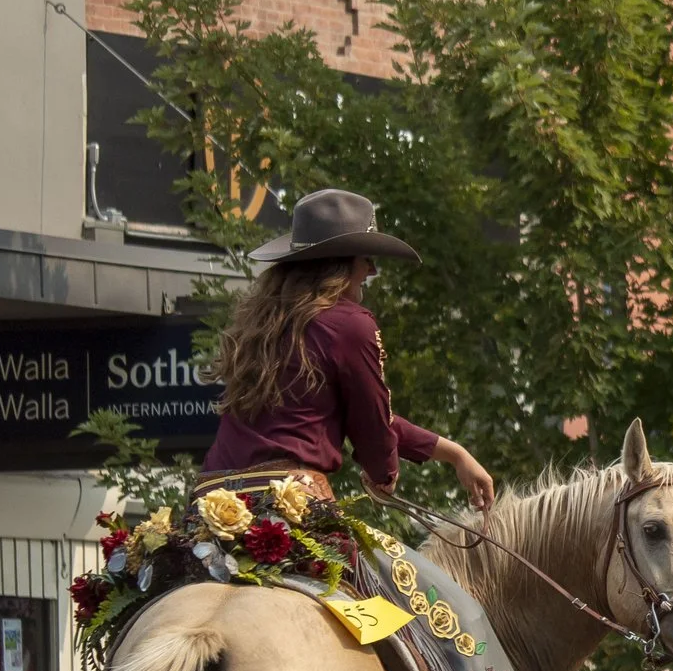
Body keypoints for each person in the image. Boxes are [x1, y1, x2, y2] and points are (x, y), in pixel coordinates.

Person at [199, 187, 495, 509]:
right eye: (365, 258)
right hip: (283, 505)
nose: (372, 270)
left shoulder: (264, 321)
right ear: (339, 266)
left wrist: (455, 454)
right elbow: (372, 427)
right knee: (391, 561)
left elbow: (369, 417)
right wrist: (384, 472)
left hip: (212, 503)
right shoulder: (351, 324)